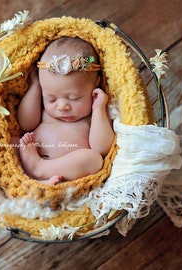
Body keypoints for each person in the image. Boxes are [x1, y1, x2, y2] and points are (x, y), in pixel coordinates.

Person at [17, 37, 114, 185]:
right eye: (51, 99)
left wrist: (98, 109)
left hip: (65, 174)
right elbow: (25, 124)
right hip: (29, 156)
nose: (62, 107)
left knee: (93, 159)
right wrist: (35, 86)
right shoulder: (43, 109)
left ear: (96, 83)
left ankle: (41, 170)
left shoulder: (94, 114)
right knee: (10, 143)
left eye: (75, 98)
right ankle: (33, 180)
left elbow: (102, 148)